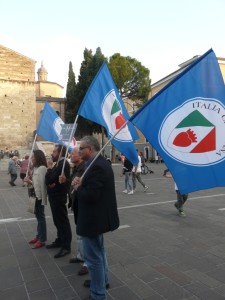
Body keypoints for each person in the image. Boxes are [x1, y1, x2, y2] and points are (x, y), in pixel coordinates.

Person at [73, 136, 120, 300]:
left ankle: (98, 293)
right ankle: (102, 282)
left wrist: (78, 188)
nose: (79, 151)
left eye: (81, 148)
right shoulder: (95, 164)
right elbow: (93, 188)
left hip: (93, 220)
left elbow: (91, 195)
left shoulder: (97, 166)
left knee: (93, 259)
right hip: (96, 219)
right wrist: (81, 182)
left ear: (90, 149)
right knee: (99, 253)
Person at [59, 147, 88, 276]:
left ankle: (87, 263)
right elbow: (72, 185)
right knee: (80, 232)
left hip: (82, 205)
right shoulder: (76, 168)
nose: (70, 155)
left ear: (80, 156)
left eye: (73, 153)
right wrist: (66, 181)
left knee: (86, 235)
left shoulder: (84, 168)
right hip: (76, 204)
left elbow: (82, 186)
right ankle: (81, 255)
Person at [45, 144, 72, 258]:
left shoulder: (62, 163)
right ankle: (60, 239)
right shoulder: (59, 164)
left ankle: (66, 246)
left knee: (62, 221)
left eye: (54, 152)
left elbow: (50, 179)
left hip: (58, 197)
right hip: (54, 196)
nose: (52, 153)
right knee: (57, 220)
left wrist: (50, 168)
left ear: (60, 153)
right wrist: (51, 180)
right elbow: (49, 181)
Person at [24, 150, 47, 249]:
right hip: (33, 195)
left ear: (38, 157)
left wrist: (30, 181)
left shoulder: (42, 168)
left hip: (38, 196)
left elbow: (42, 185)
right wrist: (29, 180)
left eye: (33, 156)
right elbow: (34, 183)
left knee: (41, 218)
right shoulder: (35, 168)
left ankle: (42, 239)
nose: (32, 158)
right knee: (38, 217)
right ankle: (38, 236)